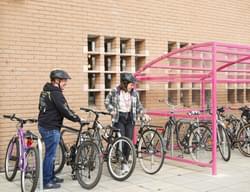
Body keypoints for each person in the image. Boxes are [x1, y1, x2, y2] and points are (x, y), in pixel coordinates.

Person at [38, 69, 81, 189]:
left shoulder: (45, 91)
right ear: (56, 81)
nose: (66, 83)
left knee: (50, 154)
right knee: (50, 155)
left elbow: (40, 107)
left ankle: (51, 177)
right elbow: (65, 110)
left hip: (43, 125)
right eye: (64, 81)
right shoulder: (56, 93)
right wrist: (77, 119)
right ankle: (46, 181)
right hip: (51, 127)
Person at [104, 73, 150, 172]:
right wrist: (112, 110)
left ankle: (124, 163)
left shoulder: (134, 93)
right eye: (131, 84)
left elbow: (139, 106)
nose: (132, 86)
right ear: (125, 84)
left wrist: (143, 114)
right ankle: (120, 161)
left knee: (128, 142)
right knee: (121, 140)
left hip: (130, 118)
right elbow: (107, 101)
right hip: (119, 118)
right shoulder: (115, 91)